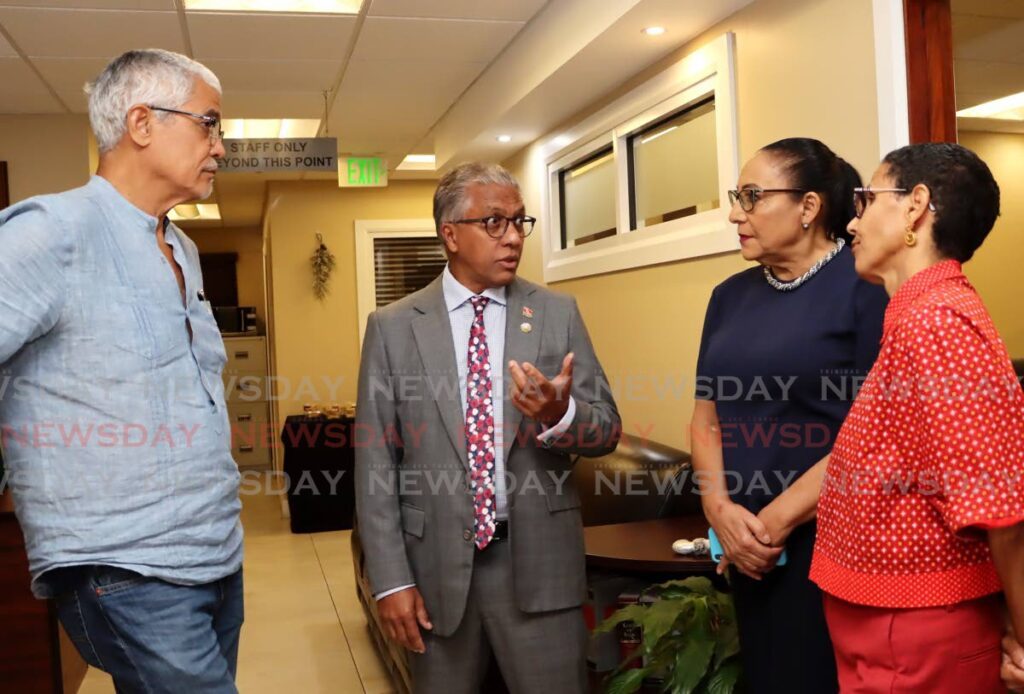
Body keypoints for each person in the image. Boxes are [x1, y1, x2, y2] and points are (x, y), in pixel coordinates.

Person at [0, 49, 243, 692]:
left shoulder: (182, 246)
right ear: (142, 123)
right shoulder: (51, 232)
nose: (220, 146)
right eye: (208, 124)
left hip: (215, 552)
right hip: (126, 567)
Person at [354, 162, 620, 693]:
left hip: (539, 570)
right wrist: (391, 581)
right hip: (435, 575)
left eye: (521, 222)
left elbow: (606, 430)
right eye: (494, 222)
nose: (514, 237)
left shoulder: (555, 312)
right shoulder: (392, 328)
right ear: (450, 234)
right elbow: (376, 465)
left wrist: (557, 416)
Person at [810, 142, 1024, 693]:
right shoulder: (911, 317)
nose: (853, 221)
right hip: (885, 624)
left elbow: (1001, 509)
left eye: (866, 199)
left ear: (915, 206)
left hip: (919, 631)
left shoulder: (938, 323)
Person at [691, 138, 888, 693]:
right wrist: (718, 509)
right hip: (746, 543)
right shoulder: (729, 295)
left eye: (752, 197)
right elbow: (706, 416)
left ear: (808, 208)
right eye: (737, 197)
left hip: (829, 541)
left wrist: (773, 523)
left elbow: (873, 431)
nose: (735, 213)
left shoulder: (865, 285)